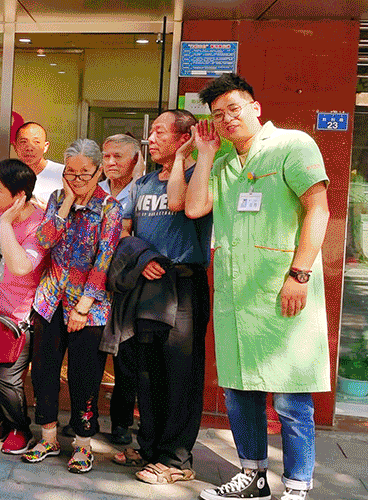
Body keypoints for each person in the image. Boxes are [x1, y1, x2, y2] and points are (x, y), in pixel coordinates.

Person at [174, 73, 330, 500]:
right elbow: (194, 208)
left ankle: (297, 485)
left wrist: (299, 274)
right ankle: (253, 476)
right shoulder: (223, 160)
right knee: (240, 392)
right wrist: (206, 154)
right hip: (236, 295)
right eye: (217, 114)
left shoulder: (292, 145)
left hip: (284, 291)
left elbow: (318, 209)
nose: (227, 119)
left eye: (234, 109)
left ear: (255, 108)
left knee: (291, 400)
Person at [109, 109, 212, 485]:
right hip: (146, 284)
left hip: (182, 283)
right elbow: (121, 230)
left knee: (179, 374)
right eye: (150, 132)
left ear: (185, 137)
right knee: (147, 371)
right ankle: (150, 446)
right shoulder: (143, 183)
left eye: (159, 132)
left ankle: (176, 458)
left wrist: (186, 158)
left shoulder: (200, 176)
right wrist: (142, 257)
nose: (150, 139)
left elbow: (182, 206)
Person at [22, 139, 123, 473]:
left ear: (98, 172)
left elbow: (105, 259)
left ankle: (83, 443)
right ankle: (48, 438)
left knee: (85, 376)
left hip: (88, 305)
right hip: (50, 299)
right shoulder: (56, 198)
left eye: (84, 173)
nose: (77, 180)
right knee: (44, 371)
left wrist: (83, 306)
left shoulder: (110, 207)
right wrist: (66, 202)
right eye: (71, 173)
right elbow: (44, 240)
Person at [0, 159, 47, 454]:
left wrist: (3, 224)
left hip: (21, 315)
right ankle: (5, 422)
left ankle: (21, 430)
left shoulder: (38, 223)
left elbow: (21, 266)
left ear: (19, 196)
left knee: (6, 378)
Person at [98, 132, 143, 446]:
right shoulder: (94, 189)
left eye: (118, 156)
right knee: (90, 354)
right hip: (93, 283)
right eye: (106, 156)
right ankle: (84, 418)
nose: (110, 162)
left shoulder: (142, 192)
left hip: (128, 284)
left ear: (135, 160)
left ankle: (122, 422)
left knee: (127, 355)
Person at [12, 122, 64, 205]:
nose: (29, 148)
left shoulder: (63, 174)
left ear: (46, 146)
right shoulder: (5, 175)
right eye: (23, 142)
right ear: (15, 146)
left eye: (36, 142)